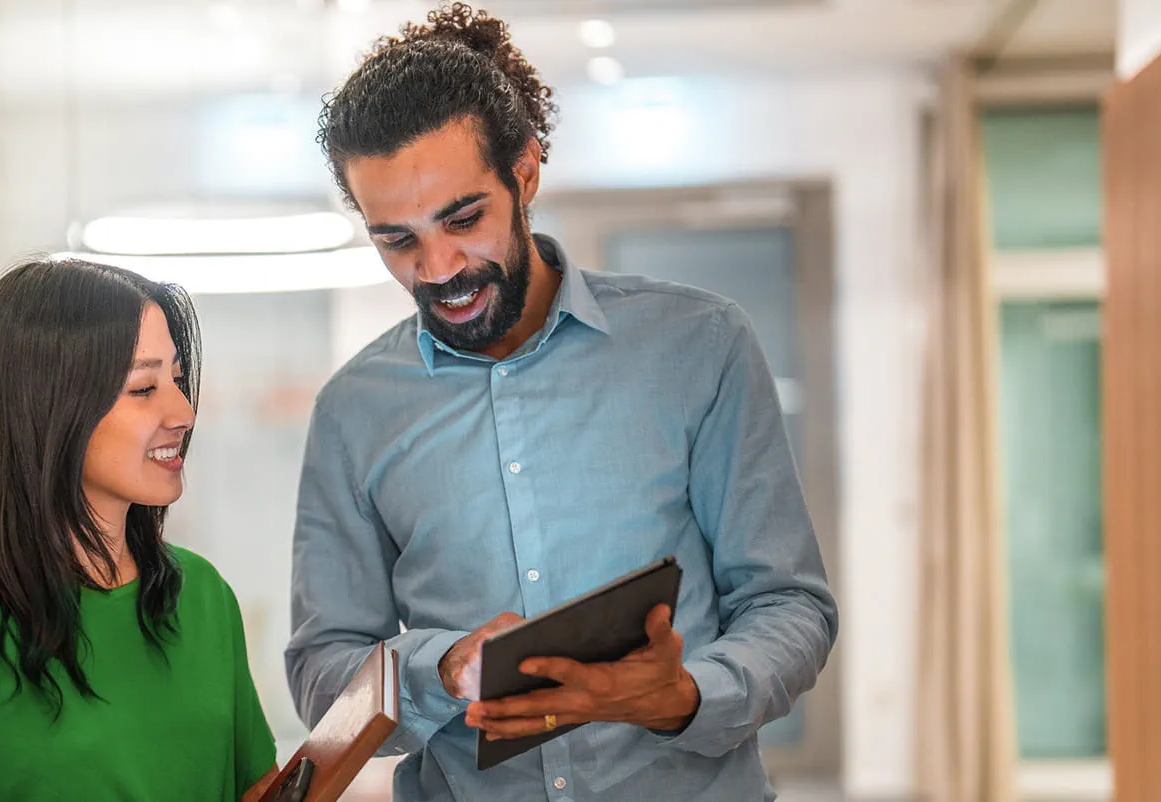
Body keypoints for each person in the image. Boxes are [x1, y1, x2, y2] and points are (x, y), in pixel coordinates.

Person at [284, 5, 839, 800]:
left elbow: (789, 604)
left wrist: (686, 695)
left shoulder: (699, 345)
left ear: (527, 171)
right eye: (396, 239)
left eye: (463, 218)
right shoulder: (353, 411)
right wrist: (440, 668)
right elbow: (324, 667)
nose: (438, 268)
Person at [0, 258, 279, 802]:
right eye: (143, 388)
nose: (183, 412)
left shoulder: (201, 596)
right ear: (50, 406)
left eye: (177, 380)